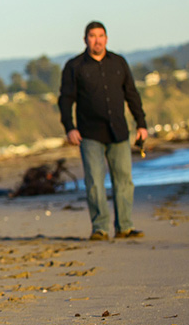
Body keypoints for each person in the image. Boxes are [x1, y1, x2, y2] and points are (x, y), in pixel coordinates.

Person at [59, 21, 149, 241]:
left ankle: (125, 227)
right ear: (85, 39)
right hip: (89, 134)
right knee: (94, 183)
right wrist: (70, 128)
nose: (97, 40)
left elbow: (132, 94)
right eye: (92, 36)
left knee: (124, 181)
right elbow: (65, 100)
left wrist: (141, 123)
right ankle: (99, 228)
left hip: (118, 131)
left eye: (101, 35)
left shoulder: (118, 62)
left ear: (106, 38)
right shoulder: (74, 66)